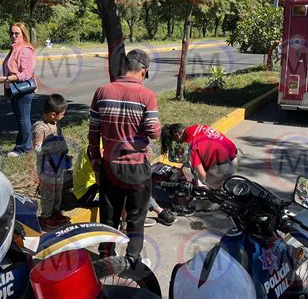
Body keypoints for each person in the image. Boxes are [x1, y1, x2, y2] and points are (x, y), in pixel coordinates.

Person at [89, 49, 160, 264]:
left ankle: (105, 255)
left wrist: (95, 157)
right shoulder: (146, 95)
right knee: (136, 217)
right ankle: (132, 260)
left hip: (110, 165)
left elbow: (93, 131)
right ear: (143, 71)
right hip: (137, 167)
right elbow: (153, 131)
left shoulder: (102, 91)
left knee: (109, 215)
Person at [0, 22, 36, 157]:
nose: (13, 36)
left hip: (23, 90)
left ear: (23, 34)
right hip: (14, 89)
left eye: (16, 33)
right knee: (21, 119)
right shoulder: (14, 48)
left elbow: (26, 74)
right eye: (11, 33)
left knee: (24, 119)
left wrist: (6, 79)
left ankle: (23, 149)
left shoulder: (25, 50)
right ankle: (24, 146)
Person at [161, 124, 239, 190]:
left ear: (177, 136)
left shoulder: (189, 144)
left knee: (202, 193)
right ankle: (219, 187)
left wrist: (196, 183)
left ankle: (210, 205)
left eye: (177, 142)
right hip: (234, 156)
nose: (179, 144)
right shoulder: (196, 127)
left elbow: (202, 175)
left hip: (224, 166)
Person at [32, 94, 70, 230]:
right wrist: (52, 147)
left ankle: (55, 212)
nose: (63, 116)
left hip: (58, 165)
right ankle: (46, 217)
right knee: (48, 193)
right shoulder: (40, 128)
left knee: (57, 191)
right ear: (53, 114)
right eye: (62, 114)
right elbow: (37, 148)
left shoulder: (55, 124)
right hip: (46, 167)